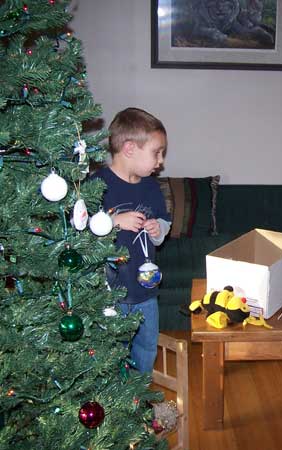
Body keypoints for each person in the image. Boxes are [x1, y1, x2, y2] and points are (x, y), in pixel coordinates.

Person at [94, 107, 171, 373]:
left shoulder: (151, 186)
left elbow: (164, 222)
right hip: (110, 293)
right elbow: (82, 230)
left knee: (147, 347)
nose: (160, 161)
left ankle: (139, 400)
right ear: (129, 149)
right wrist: (115, 221)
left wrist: (157, 229)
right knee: (114, 352)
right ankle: (119, 405)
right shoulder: (97, 184)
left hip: (146, 291)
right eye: (156, 152)